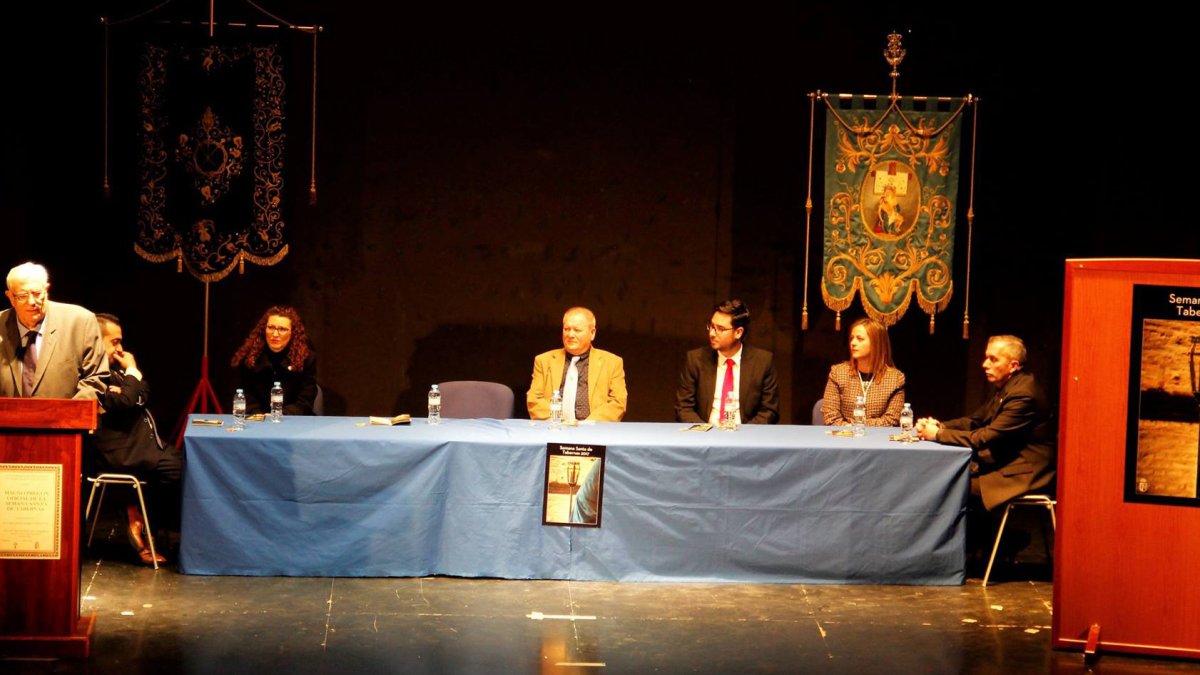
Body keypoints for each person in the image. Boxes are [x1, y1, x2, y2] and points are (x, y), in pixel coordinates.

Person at [916, 335, 1057, 512]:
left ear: (1013, 365)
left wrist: (937, 435)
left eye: (993, 359)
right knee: (946, 475)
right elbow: (975, 421)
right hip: (1005, 462)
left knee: (949, 485)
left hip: (1023, 472)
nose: (984, 364)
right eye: (986, 357)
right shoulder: (1009, 387)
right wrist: (940, 425)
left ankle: (971, 539)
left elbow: (984, 437)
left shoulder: (1023, 394)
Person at [93, 313, 183, 565]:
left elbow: (143, 393)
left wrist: (130, 383)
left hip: (148, 446)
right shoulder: (91, 374)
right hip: (124, 452)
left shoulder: (116, 371)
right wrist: (131, 374)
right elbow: (126, 400)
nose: (120, 349)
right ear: (95, 341)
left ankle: (144, 520)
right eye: (115, 342)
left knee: (195, 466)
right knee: (182, 471)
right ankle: (145, 524)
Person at [1, 262, 107, 400]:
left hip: (66, 420)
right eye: (22, 296)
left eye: (37, 293)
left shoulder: (80, 321)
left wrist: (68, 414)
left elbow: (96, 377)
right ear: (10, 297)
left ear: (47, 289)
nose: (32, 301)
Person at [675, 299, 779, 425]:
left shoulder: (763, 362)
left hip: (746, 437)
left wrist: (744, 436)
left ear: (738, 332)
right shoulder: (695, 359)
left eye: (720, 329)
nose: (712, 333)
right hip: (705, 436)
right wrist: (705, 433)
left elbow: (769, 411)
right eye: (712, 326)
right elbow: (683, 408)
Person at [527, 307, 627, 422]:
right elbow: (534, 399)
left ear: (592, 333)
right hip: (554, 428)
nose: (570, 334)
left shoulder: (612, 363)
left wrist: (588, 425)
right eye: (566, 329)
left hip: (594, 431)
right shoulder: (544, 361)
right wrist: (557, 422)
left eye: (577, 330)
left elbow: (618, 402)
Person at [230, 306, 318, 416]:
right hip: (257, 420)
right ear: (264, 329)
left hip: (293, 420)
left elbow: (305, 401)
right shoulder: (250, 357)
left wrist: (280, 415)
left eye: (282, 329)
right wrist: (259, 417)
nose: (275, 334)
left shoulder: (306, 358)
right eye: (271, 327)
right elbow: (245, 396)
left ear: (292, 333)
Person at [822, 317, 905, 426]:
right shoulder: (838, 373)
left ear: (876, 343)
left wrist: (857, 426)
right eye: (852, 338)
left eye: (860, 339)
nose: (853, 343)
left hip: (877, 439)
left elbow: (891, 420)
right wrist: (851, 429)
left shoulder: (895, 379)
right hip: (844, 437)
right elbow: (830, 417)